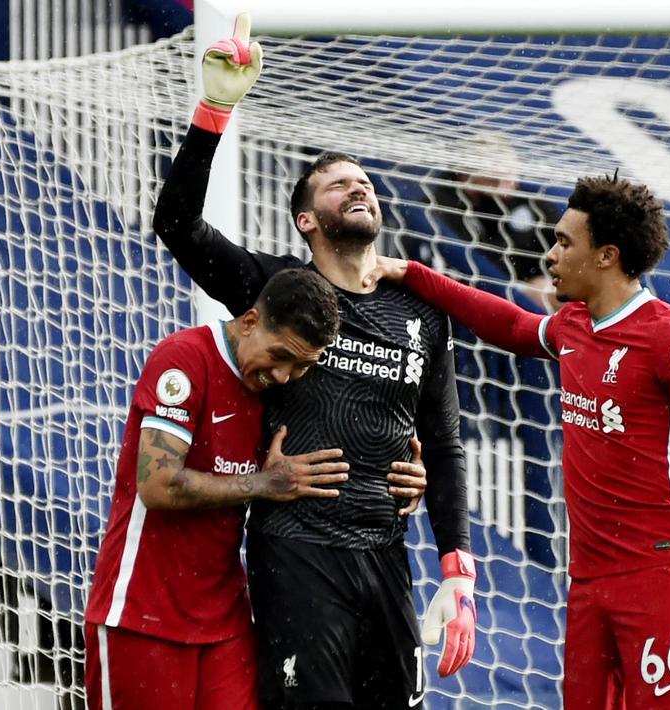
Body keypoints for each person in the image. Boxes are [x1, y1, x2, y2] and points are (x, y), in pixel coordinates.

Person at [151, 15, 474, 709]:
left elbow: (443, 445)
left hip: (388, 554)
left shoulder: (422, 313)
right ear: (306, 220)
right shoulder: (280, 293)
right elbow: (177, 224)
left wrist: (457, 567)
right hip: (298, 553)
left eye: (363, 181)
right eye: (336, 185)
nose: (357, 188)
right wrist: (214, 111)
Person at [367, 173, 670, 709]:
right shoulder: (574, 325)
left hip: (663, 572)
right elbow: (508, 324)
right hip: (587, 579)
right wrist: (412, 273)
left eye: (564, 243)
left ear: (606, 256)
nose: (551, 255)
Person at [84, 268, 352, 709]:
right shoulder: (184, 360)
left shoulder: (274, 388)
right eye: (281, 355)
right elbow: (158, 485)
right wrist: (262, 484)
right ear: (249, 321)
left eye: (302, 366)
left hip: (225, 623)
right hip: (141, 616)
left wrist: (410, 470)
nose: (285, 375)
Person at [419, 133, 558, 309]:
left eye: (512, 177)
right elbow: (473, 267)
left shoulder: (525, 198)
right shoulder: (441, 210)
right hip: (486, 294)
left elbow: (559, 234)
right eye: (494, 180)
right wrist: (523, 290)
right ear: (465, 177)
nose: (508, 187)